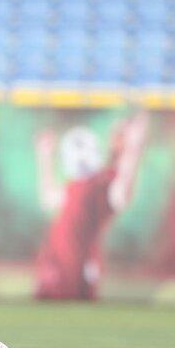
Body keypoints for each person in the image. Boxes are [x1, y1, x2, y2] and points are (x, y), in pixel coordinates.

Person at [34, 112, 148, 300]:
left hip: (76, 267)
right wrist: (44, 157)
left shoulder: (108, 184)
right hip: (55, 259)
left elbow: (122, 194)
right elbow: (50, 199)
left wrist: (134, 148)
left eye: (121, 135)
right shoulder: (89, 179)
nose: (115, 138)